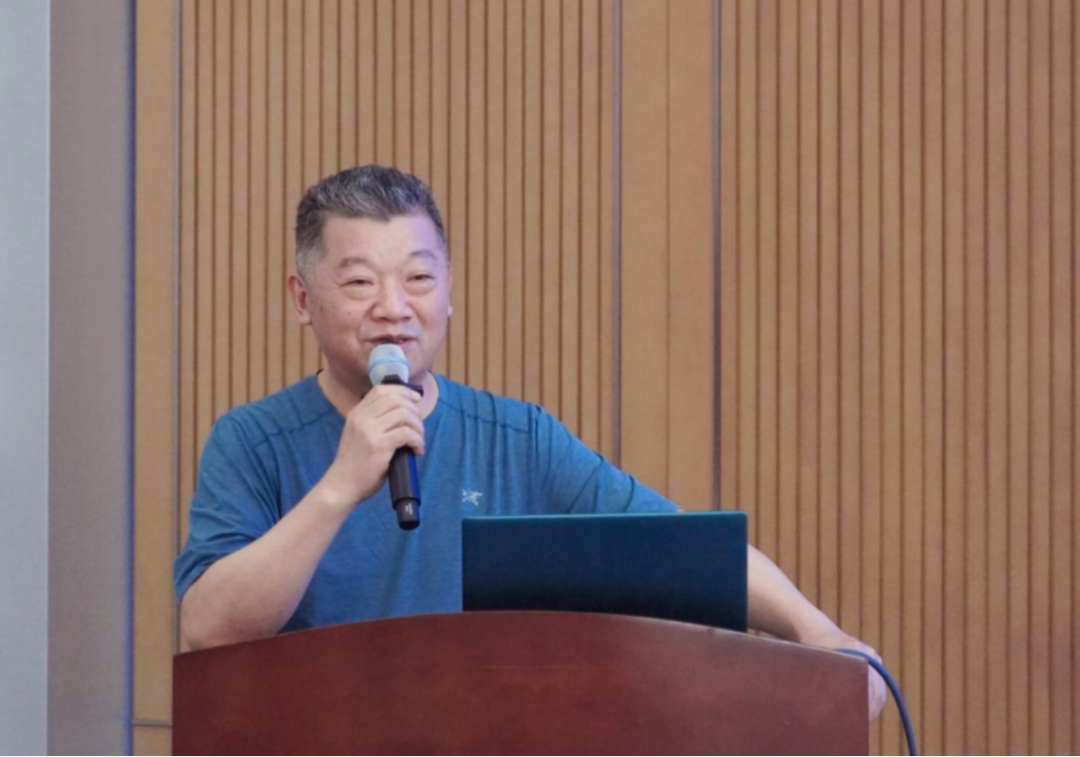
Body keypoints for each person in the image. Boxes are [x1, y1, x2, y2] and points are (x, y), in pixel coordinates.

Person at [174, 164, 886, 719]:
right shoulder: (252, 441)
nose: (394, 308)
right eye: (360, 282)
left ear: (449, 292)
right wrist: (338, 487)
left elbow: (679, 550)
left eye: (418, 278)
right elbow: (209, 626)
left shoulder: (520, 439)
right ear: (303, 299)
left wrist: (815, 630)